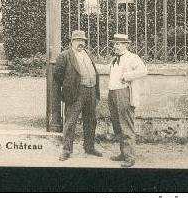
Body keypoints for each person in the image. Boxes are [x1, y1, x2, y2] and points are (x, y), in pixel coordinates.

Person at [54, 30, 102, 161]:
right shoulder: (65, 56)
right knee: (71, 122)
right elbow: (57, 75)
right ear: (71, 42)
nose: (81, 43)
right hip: (76, 93)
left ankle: (89, 147)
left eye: (83, 41)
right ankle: (66, 150)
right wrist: (68, 88)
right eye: (77, 40)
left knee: (91, 120)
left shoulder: (88, 54)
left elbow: (94, 72)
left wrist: (96, 91)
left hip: (91, 91)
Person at [107, 33, 148, 168]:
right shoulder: (114, 59)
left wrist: (126, 76)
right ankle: (123, 153)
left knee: (126, 125)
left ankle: (130, 158)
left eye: (118, 44)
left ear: (126, 45)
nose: (115, 46)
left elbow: (143, 71)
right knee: (117, 125)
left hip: (124, 93)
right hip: (113, 93)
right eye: (114, 43)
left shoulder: (132, 57)